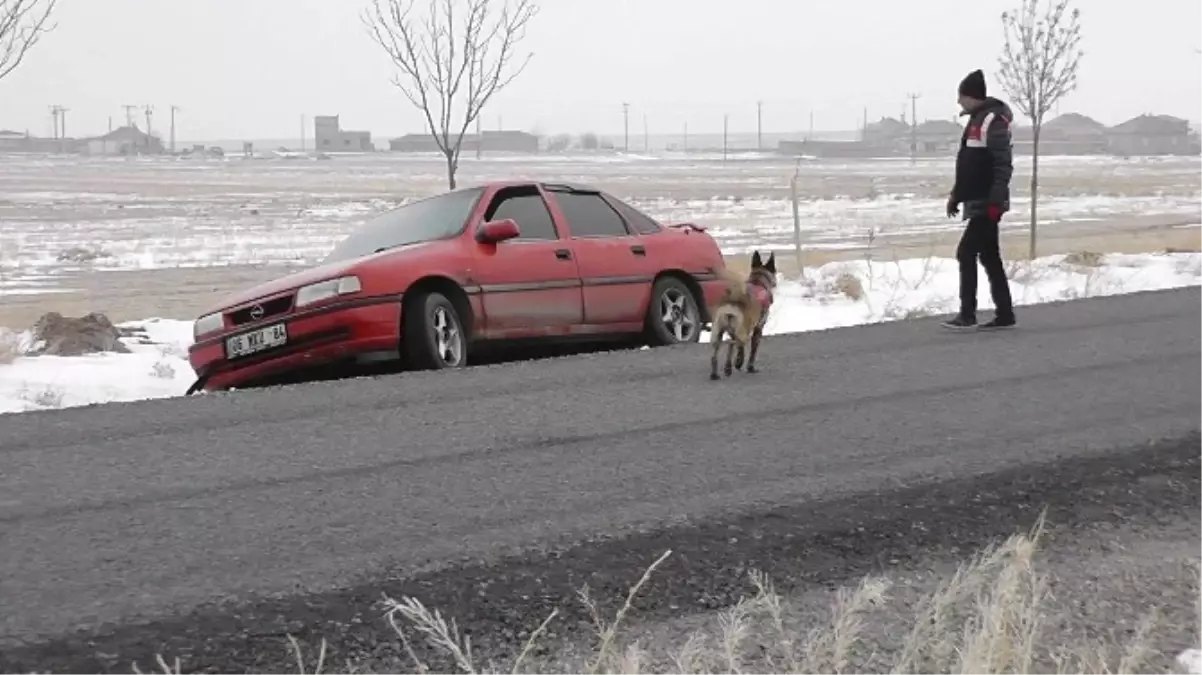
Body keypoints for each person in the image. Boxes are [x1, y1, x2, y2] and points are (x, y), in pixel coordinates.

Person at [942, 69, 1017, 331]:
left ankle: (967, 314)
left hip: (988, 201)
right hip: (977, 199)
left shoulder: (991, 121)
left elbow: (1002, 165)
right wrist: (956, 196)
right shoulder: (976, 120)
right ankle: (1005, 314)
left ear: (971, 96)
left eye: (961, 96)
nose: (959, 102)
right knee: (989, 256)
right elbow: (968, 165)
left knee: (966, 253)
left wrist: (996, 201)